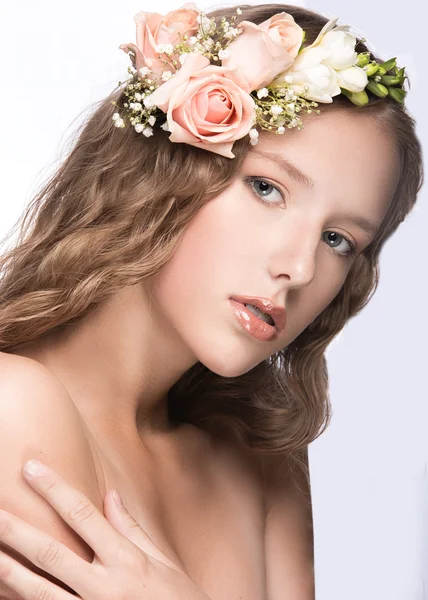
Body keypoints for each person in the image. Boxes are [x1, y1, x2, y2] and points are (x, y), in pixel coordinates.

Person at [0, 2, 423, 599]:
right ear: (165, 168)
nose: (299, 268)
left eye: (339, 240)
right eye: (266, 188)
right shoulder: (12, 409)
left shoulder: (260, 461)